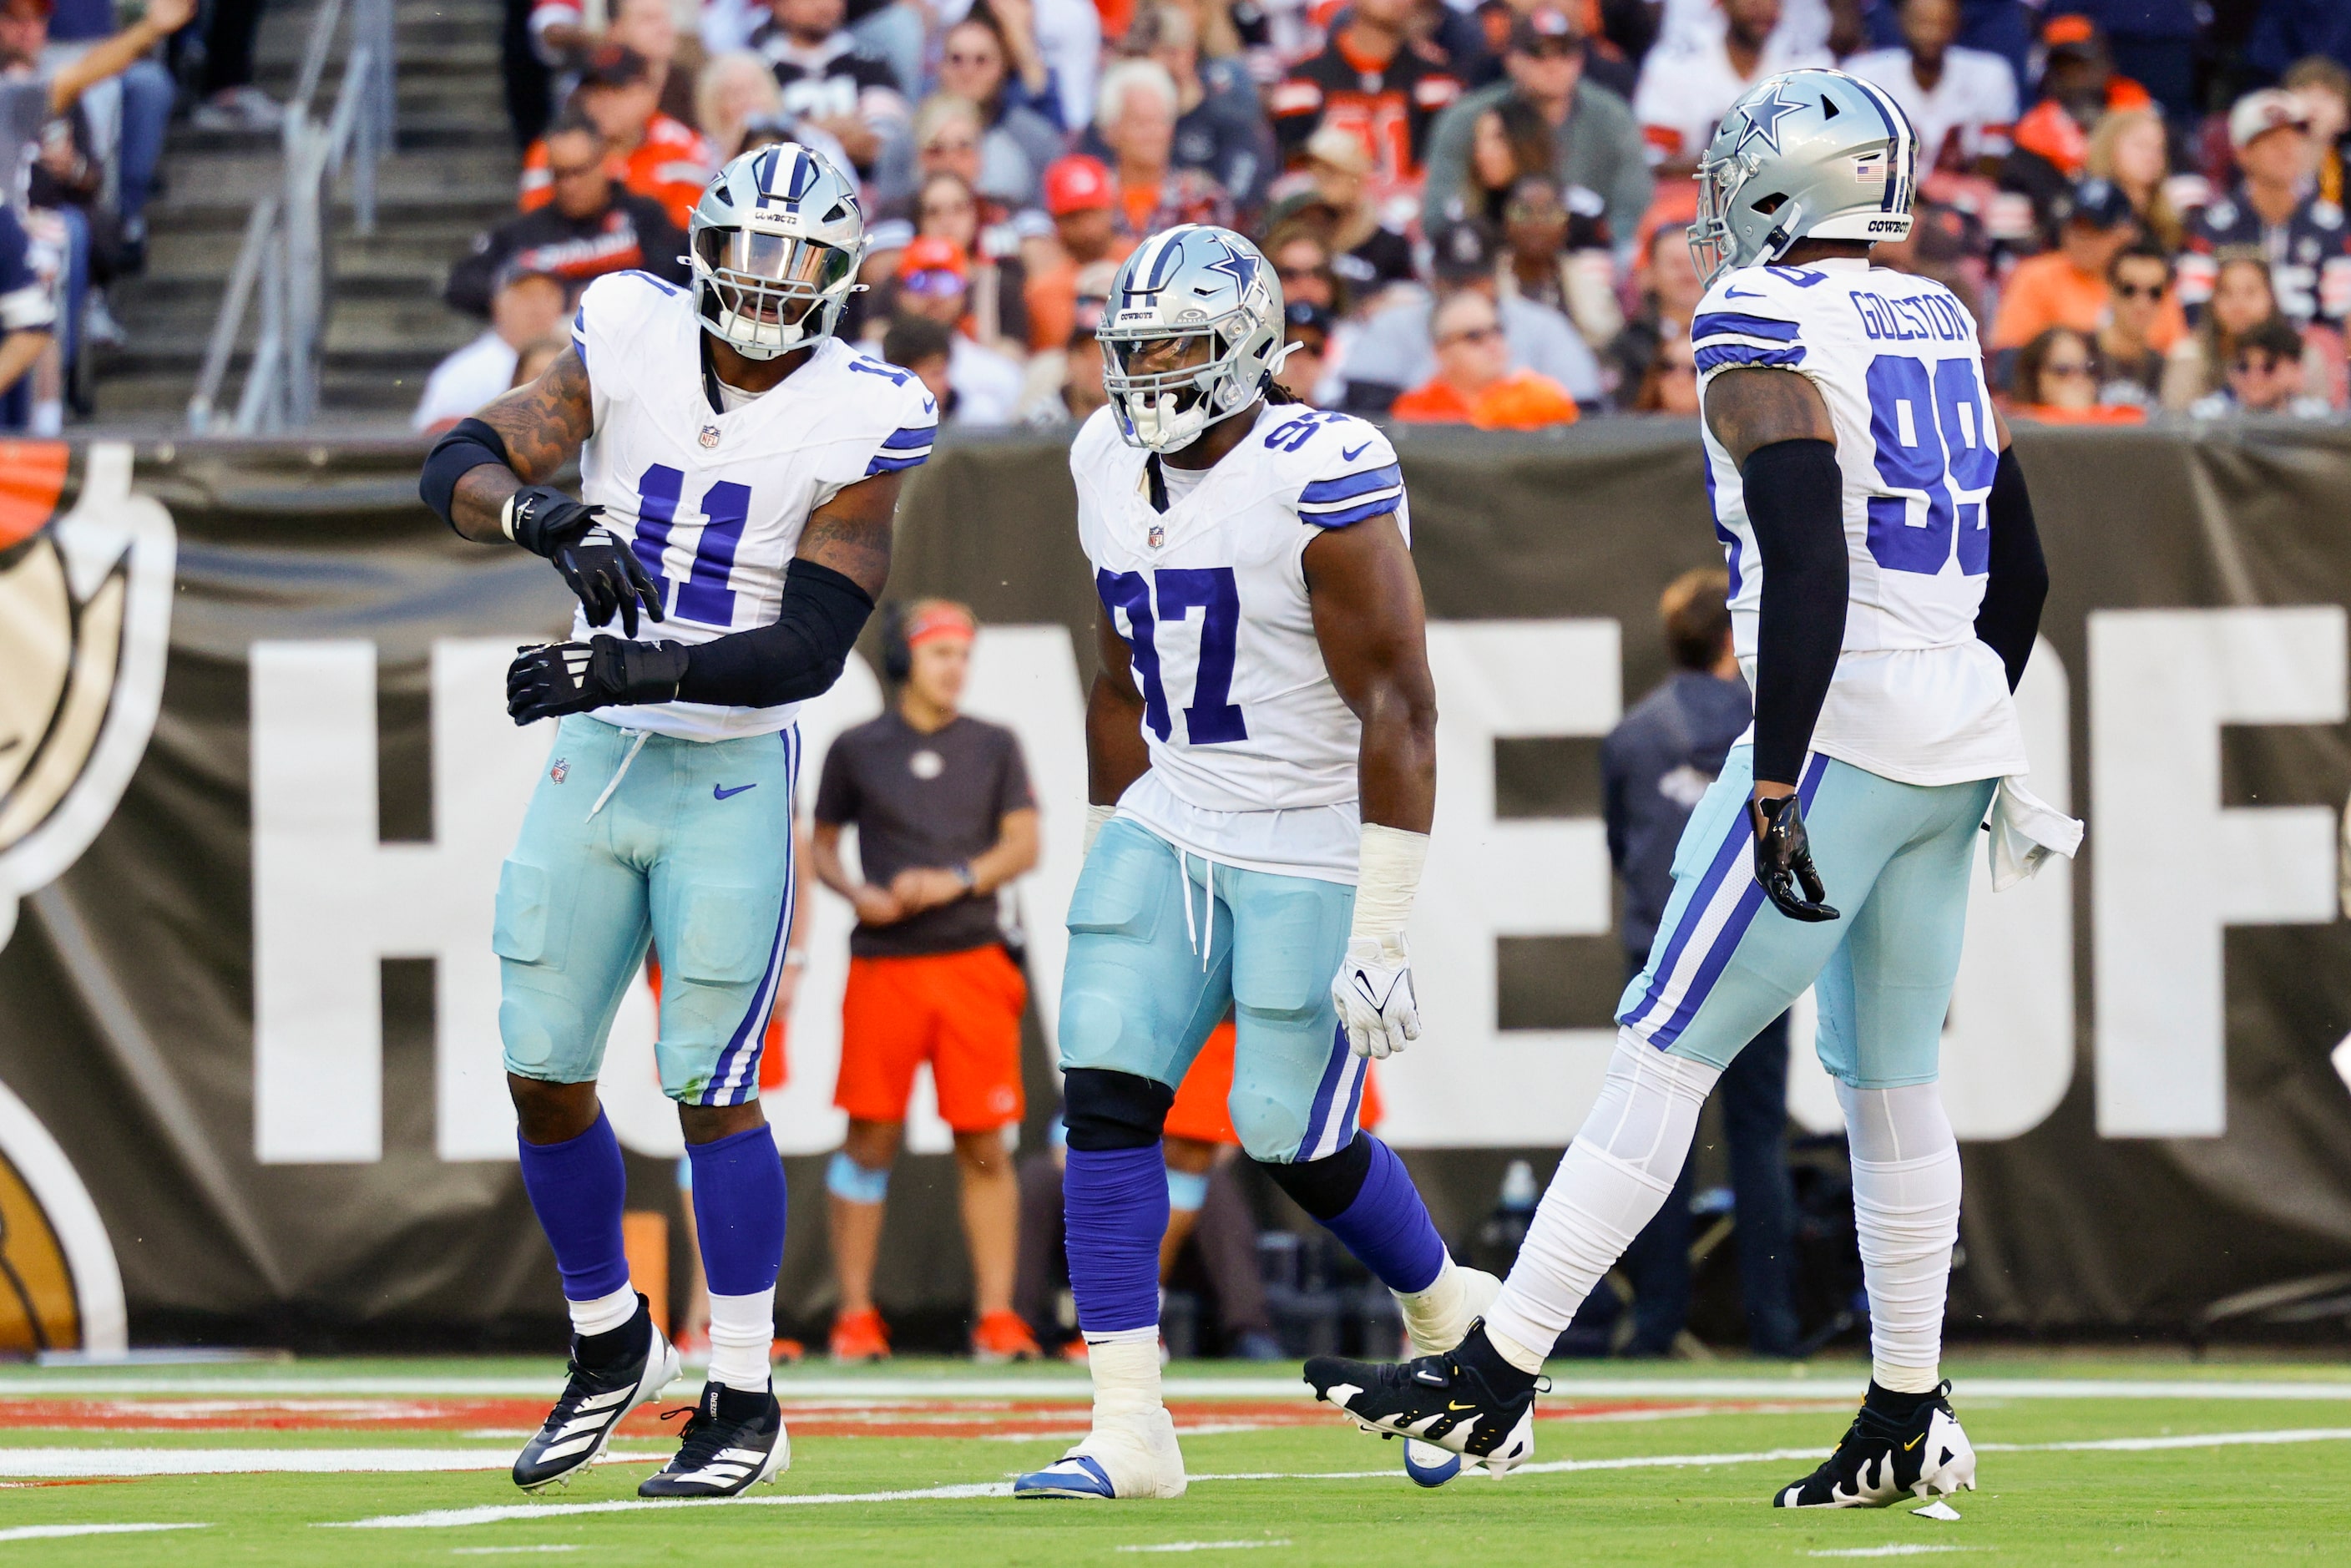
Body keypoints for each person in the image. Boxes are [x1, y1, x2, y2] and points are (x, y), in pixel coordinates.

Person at [1307, 68, 2074, 1514]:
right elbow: (2018, 568)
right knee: (1894, 1078)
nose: (1717, 204)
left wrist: (1780, 761)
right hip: (1960, 731)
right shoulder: (1944, 313)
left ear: (1793, 184)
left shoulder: (1762, 312)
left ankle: (1500, 1373)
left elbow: (1805, 534)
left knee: (1664, 1048)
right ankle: (1908, 1408)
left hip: (1840, 726)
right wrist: (1957, 711)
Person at [417, 143, 936, 1500]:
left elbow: (812, 646)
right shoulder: (628, 325)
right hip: (596, 757)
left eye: (796, 260)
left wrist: (633, 662)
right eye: (748, 252)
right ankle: (608, 1338)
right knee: (540, 1059)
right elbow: (460, 459)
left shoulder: (867, 411)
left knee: (712, 1082)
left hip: (726, 773)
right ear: (704, 249)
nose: (766, 285)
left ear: (840, 278)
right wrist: (540, 515)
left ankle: (746, 1388)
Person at [1013, 223, 1502, 1500]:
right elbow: (1117, 668)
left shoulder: (1322, 469)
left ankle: (1450, 1313)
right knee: (1107, 1097)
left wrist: (1384, 927)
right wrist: (1105, 834)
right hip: (1172, 821)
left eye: (1174, 346)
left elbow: (1403, 704)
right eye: (1132, 349)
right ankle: (1130, 1423)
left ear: (1243, 350)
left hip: (1308, 840)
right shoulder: (1103, 458)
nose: (1146, 375)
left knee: (1289, 1133)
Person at [811, 599, 1045, 1365]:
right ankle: (854, 1315)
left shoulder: (993, 744)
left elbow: (1023, 845)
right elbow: (819, 846)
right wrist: (858, 895)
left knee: (985, 1142)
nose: (956, 669)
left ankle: (998, 1317)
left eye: (963, 655)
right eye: (942, 653)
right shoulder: (858, 747)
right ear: (907, 661)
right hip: (885, 968)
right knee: (868, 1136)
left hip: (974, 962)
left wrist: (955, 879)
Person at [1590, 569, 1802, 1358]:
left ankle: (1653, 1327)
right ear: (1731, 639)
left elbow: (1623, 847)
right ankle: (1775, 1332)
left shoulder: (1635, 733)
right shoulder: (1778, 729)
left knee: (1653, 1142)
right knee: (1758, 1142)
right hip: (1758, 954)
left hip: (1665, 958)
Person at [1422, 7, 1652, 248]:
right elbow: (1439, 211)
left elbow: (1633, 207)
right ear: (1511, 60)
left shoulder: (1612, 115)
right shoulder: (1471, 116)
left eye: (1565, 51)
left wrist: (1606, 250)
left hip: (1588, 252)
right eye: (1537, 52)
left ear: (1581, 58)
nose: (1553, 64)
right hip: (1488, 251)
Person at [1341, 218, 1602, 413]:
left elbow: (1586, 415)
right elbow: (1363, 411)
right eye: (1454, 281)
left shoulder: (1543, 325)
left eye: (1475, 280)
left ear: (1495, 276)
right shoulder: (1394, 324)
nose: (1464, 291)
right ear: (1434, 277)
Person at [444, 115, 690, 317]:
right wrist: (531, 295)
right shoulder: (525, 231)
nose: (570, 185)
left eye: (579, 171)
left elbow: (677, 272)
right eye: (560, 174)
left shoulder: (644, 216)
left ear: (603, 163)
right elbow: (461, 284)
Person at [2180, 89, 2351, 334]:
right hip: (2231, 353)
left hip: (2314, 359)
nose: (2287, 150)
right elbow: (2194, 309)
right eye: (2272, 141)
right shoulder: (2214, 226)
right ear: (2242, 153)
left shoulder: (2331, 224)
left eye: (2294, 139)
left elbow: (2344, 316)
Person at [1268, 0, 1465, 191]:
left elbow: (1443, 171)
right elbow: (1294, 170)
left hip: (1407, 212)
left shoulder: (1435, 79)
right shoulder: (1304, 77)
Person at [520, 45, 715, 230]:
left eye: (617, 91)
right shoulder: (554, 150)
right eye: (595, 92)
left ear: (648, 94)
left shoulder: (683, 147)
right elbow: (537, 232)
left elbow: (688, 235)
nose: (605, 103)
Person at [1988, 178, 2182, 358]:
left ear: (2126, 233)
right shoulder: (2036, 276)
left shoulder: (2150, 279)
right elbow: (2009, 357)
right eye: (2075, 227)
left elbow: (2175, 353)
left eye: (2095, 230)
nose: (2081, 239)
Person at [1634, 0, 1829, 177]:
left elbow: (1829, 157)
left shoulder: (1810, 63)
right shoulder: (1676, 61)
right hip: (1696, 201)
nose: (1762, 6)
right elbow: (1654, 160)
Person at [1130, 2, 1276, 215]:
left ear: (1189, 52)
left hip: (1214, 229)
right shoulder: (1122, 105)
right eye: (1150, 53)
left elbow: (1243, 194)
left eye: (1170, 51)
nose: (1160, 63)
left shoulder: (1227, 99)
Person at [751, 0, 910, 191]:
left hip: (870, 198)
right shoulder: (760, 71)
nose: (824, 5)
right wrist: (841, 129)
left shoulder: (871, 63)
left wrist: (804, 133)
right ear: (779, 5)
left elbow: (884, 142)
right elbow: (761, 146)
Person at [1843, 0, 2016, 175]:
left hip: (1964, 196)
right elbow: (1854, 166)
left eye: (1941, 22)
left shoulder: (1990, 74)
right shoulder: (1864, 75)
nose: (1931, 34)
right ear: (1901, 20)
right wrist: (1923, 187)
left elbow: (1992, 165)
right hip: (1887, 197)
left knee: (2011, 202)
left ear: (1957, 21)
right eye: (1922, 22)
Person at [1389, 288, 1580, 428]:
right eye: (1474, 336)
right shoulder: (1416, 410)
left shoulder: (1544, 401)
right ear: (1441, 353)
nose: (1492, 343)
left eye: (1497, 331)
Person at [883, 235, 1026, 422]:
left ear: (964, 293)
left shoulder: (998, 373)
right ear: (898, 292)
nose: (934, 296)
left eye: (947, 283)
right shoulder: (862, 361)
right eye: (920, 282)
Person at [414, 270, 571, 434]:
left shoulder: (581, 359)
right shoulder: (463, 373)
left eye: (548, 295)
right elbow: (434, 438)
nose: (538, 307)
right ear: (498, 303)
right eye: (526, 295)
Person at [1093, 58, 1232, 237]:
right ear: (1110, 131)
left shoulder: (1201, 197)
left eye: (1160, 122)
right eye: (1140, 123)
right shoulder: (1093, 198)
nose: (1153, 134)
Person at [935, 11, 1064, 199]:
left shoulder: (1036, 139)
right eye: (956, 59)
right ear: (940, 68)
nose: (968, 72)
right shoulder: (912, 138)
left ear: (1001, 68)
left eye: (981, 60)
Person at [1026, 154, 1135, 353]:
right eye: (1074, 217)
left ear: (1112, 207)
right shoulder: (1043, 292)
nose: (1088, 228)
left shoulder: (1145, 263)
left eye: (1093, 212)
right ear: (1055, 220)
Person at [2188, 315, 2333, 419]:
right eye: (2244, 367)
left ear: (2295, 371)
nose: (2254, 377)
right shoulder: (2210, 417)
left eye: (2269, 367)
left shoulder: (2317, 420)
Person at [2082, 105, 2182, 253]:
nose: (2152, 157)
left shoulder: (2167, 218)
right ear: (2109, 148)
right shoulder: (2086, 207)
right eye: (2141, 146)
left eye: (2158, 148)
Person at [2007, 324, 2140, 423]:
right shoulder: (2015, 424)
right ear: (2035, 377)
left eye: (2089, 369)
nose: (2078, 379)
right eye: (2063, 370)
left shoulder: (2120, 419)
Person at [2092, 241, 2172, 407]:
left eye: (2154, 293)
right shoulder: (2078, 356)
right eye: (2129, 290)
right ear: (2110, 291)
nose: (2142, 304)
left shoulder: (2165, 370)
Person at [695, 50, 787, 161]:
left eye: (755, 89)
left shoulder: (798, 140)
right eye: (735, 94)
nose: (748, 101)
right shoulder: (702, 153)